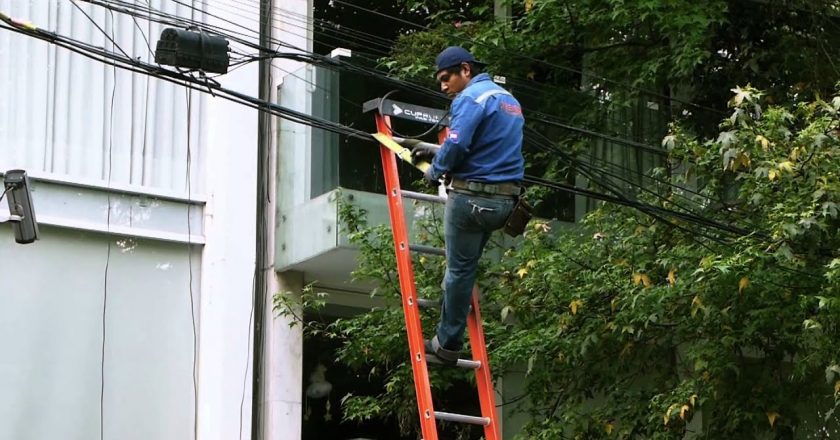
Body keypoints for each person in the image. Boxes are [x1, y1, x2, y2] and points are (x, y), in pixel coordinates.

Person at [411, 46, 525, 363]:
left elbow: (459, 143)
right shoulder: (509, 101)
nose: (443, 86)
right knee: (468, 266)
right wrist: (435, 149)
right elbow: (484, 149)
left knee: (459, 272)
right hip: (504, 203)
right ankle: (455, 325)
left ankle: (447, 343)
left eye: (446, 78)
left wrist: (435, 170)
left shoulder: (470, 98)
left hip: (471, 200)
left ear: (465, 70)